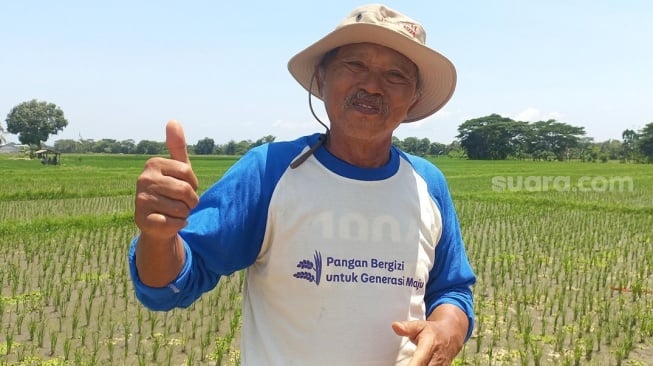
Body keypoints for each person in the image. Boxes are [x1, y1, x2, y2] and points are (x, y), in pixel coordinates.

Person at [129, 4, 476, 365]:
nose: (372, 85)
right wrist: (158, 237)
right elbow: (168, 286)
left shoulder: (428, 184)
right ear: (321, 78)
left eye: (396, 75)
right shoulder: (270, 171)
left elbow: (451, 289)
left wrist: (447, 330)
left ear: (414, 98)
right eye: (355, 65)